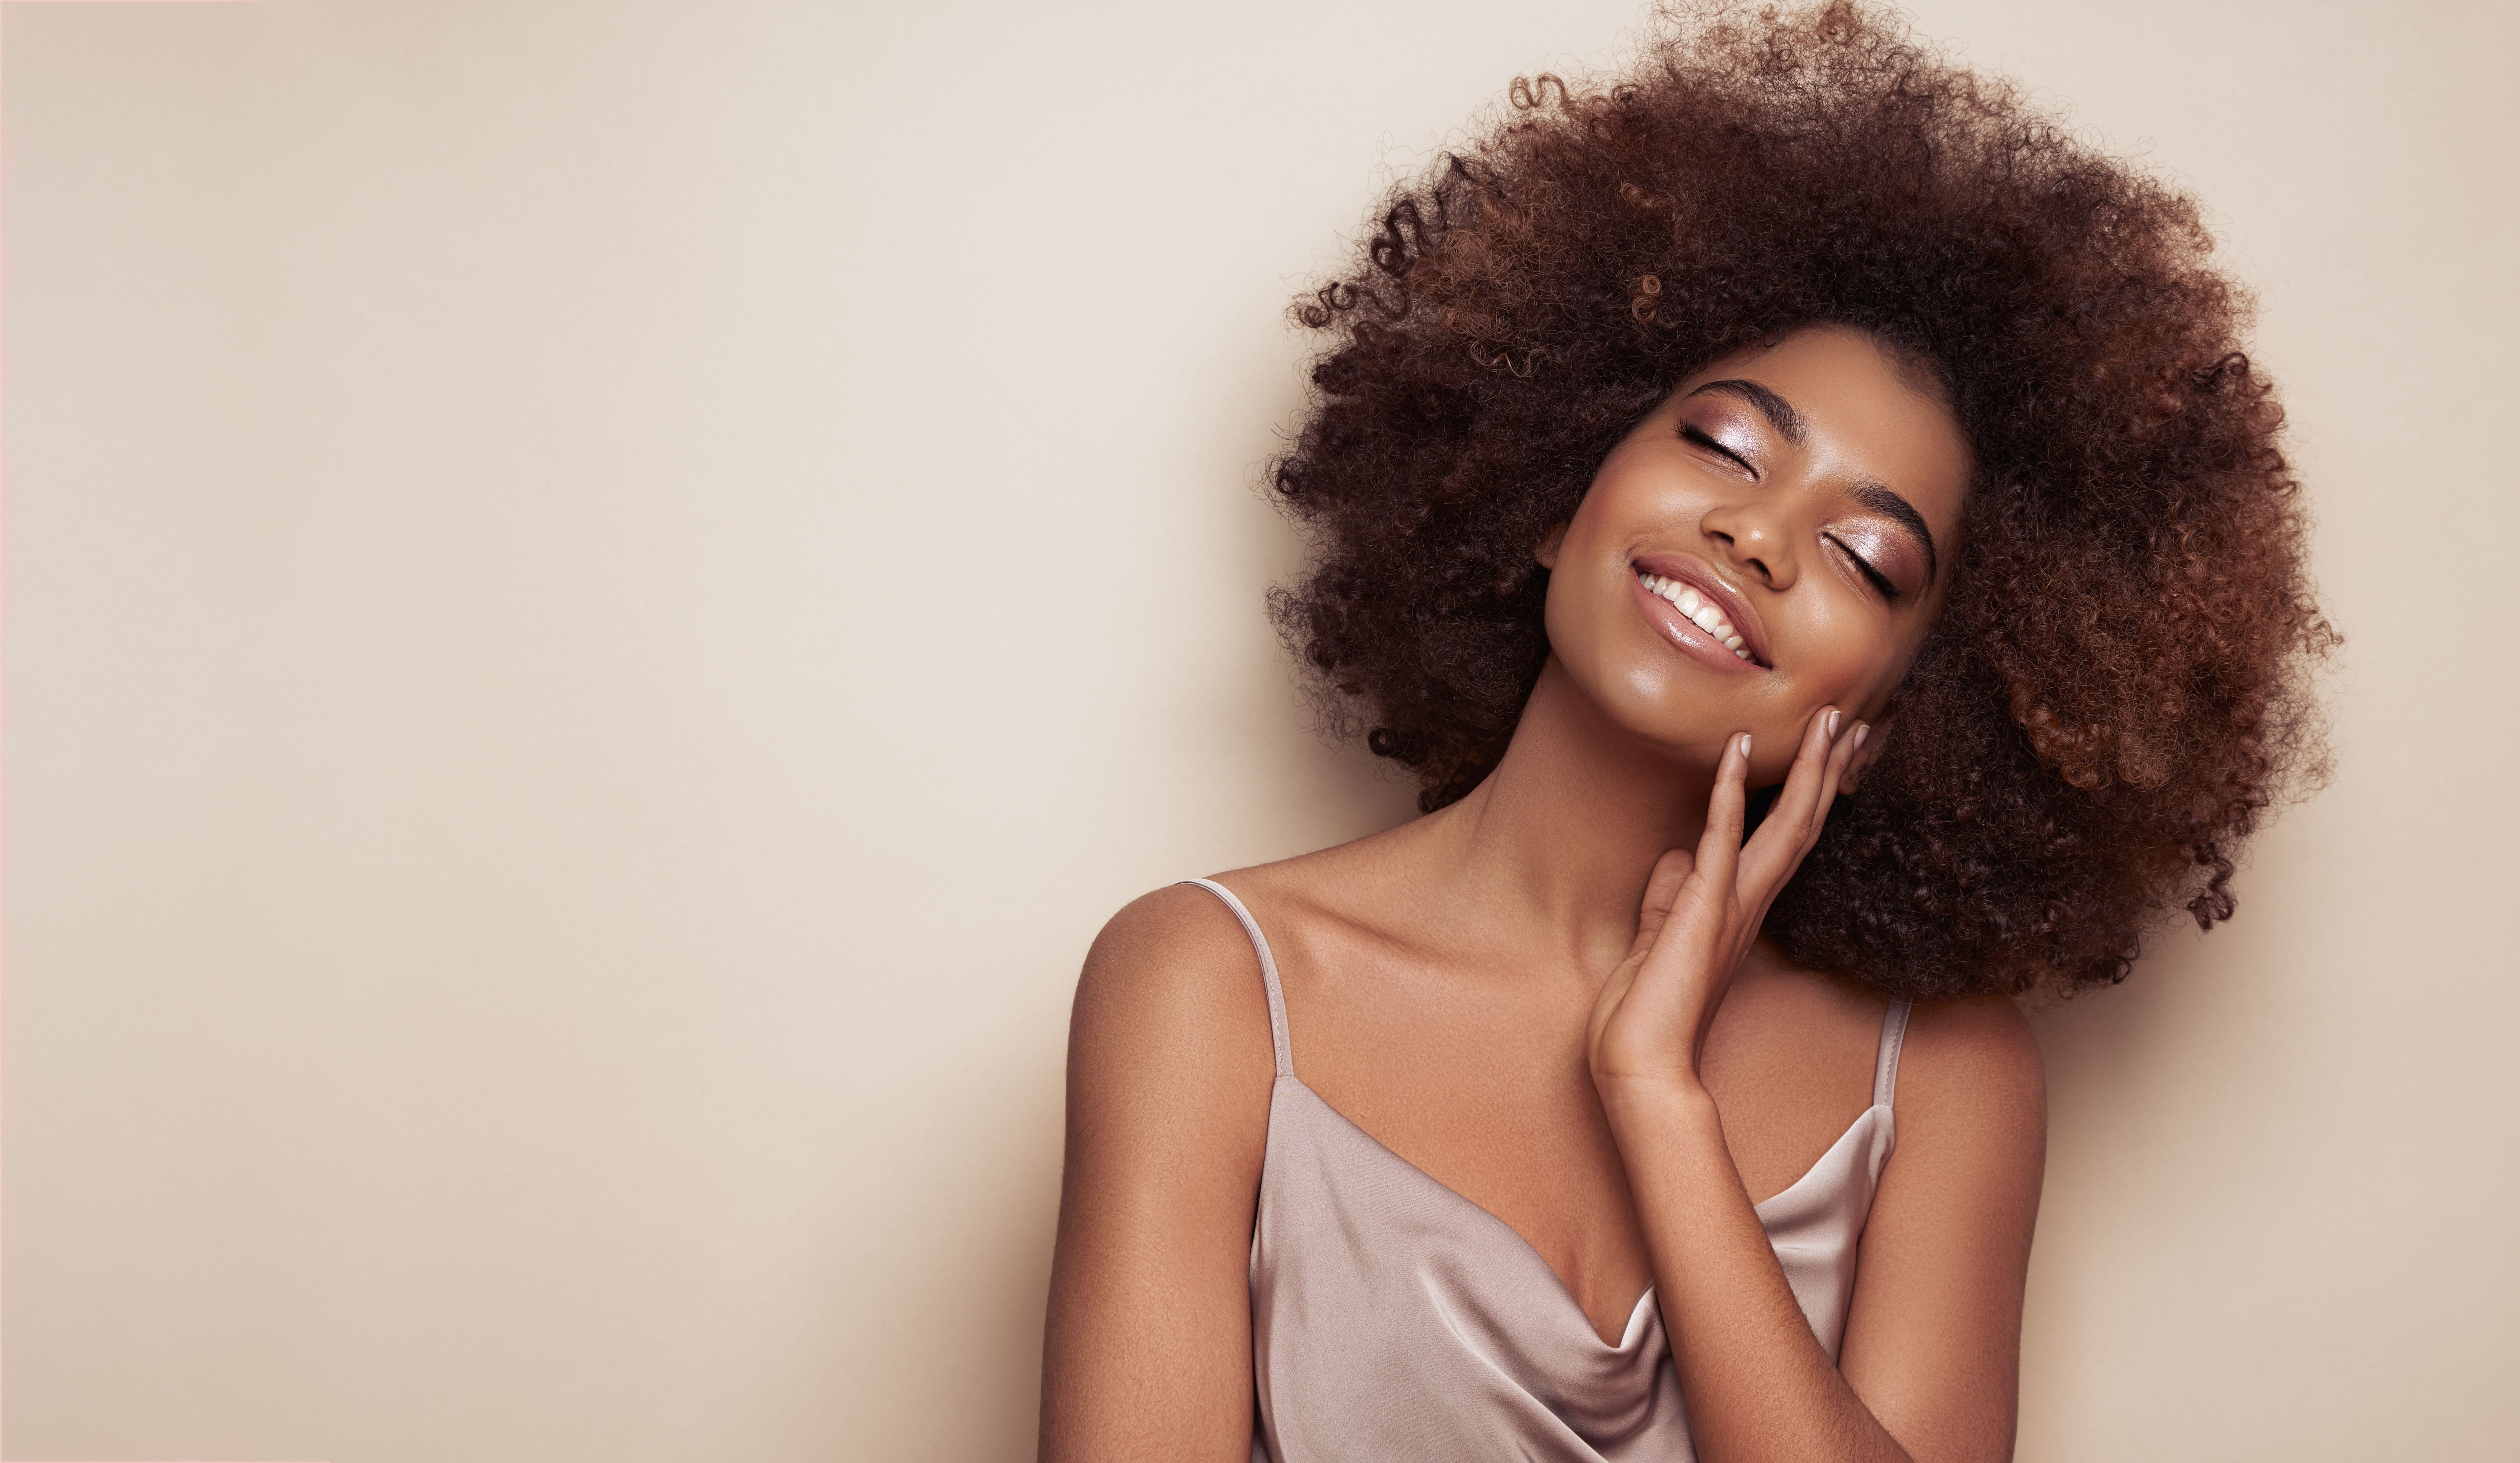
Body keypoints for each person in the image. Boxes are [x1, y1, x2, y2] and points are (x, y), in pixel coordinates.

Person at [1038, 3, 2334, 1458]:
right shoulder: (1209, 987)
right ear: (1546, 485)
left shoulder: (1946, 1082)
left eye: (1865, 558)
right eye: (1722, 446)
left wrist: (1653, 1095)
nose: (1755, 536)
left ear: (1917, 705)